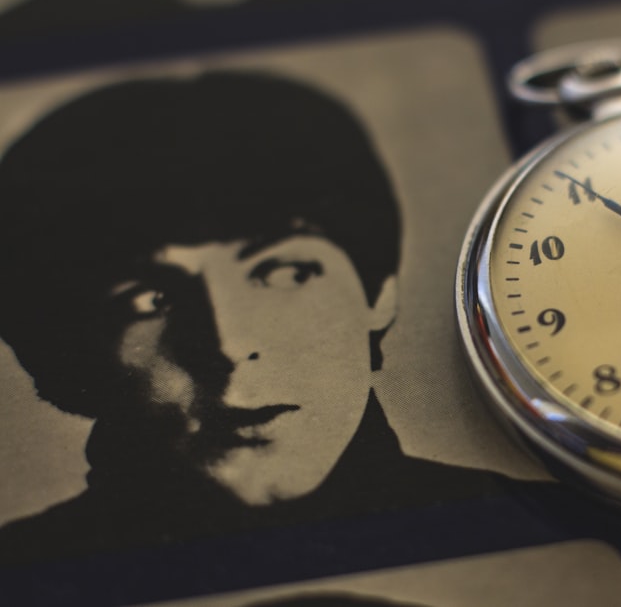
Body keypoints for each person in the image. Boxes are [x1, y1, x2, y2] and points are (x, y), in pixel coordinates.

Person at [0, 71, 512, 564]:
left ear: (377, 292)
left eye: (285, 273)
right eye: (150, 300)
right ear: (63, 353)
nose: (228, 344)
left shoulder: (514, 520)